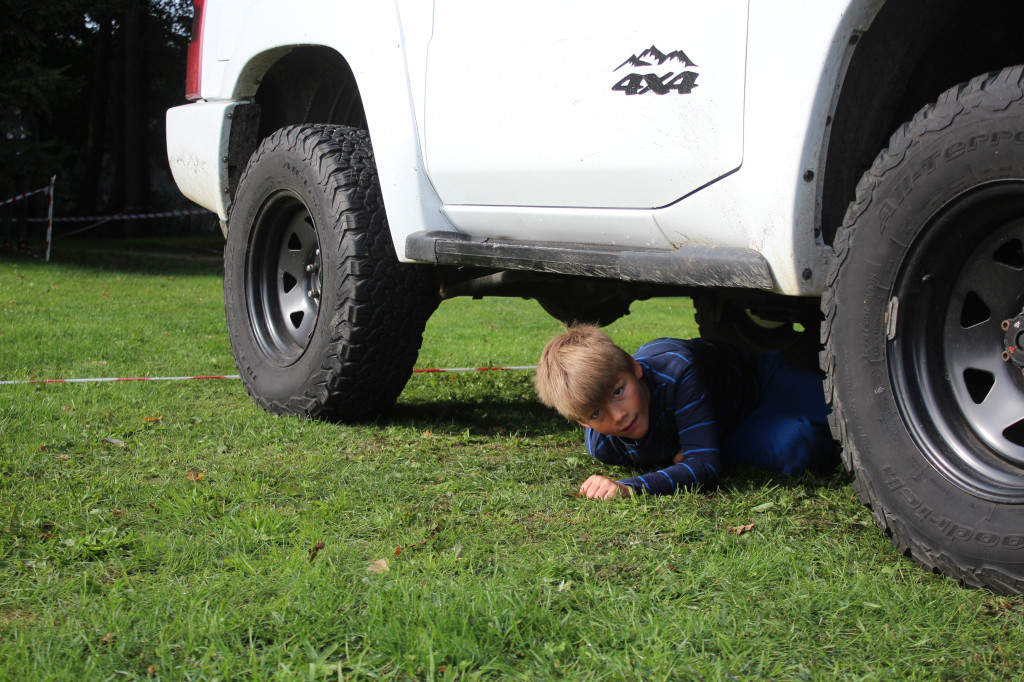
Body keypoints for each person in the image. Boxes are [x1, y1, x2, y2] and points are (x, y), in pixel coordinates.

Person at [534, 324, 835, 500]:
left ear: (633, 366)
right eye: (598, 414)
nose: (618, 416)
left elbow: (703, 466)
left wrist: (630, 487)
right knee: (797, 445)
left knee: (848, 408)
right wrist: (694, 460)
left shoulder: (677, 369)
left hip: (763, 384)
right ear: (582, 423)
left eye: (618, 392)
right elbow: (704, 465)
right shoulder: (603, 446)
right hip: (733, 430)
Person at [1, 103, 41, 250]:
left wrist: (30, 160)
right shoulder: (4, 118)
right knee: (7, 203)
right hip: (8, 166)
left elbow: (34, 140)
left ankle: (22, 238)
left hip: (24, 166)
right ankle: (6, 238)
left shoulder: (29, 119)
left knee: (23, 204)